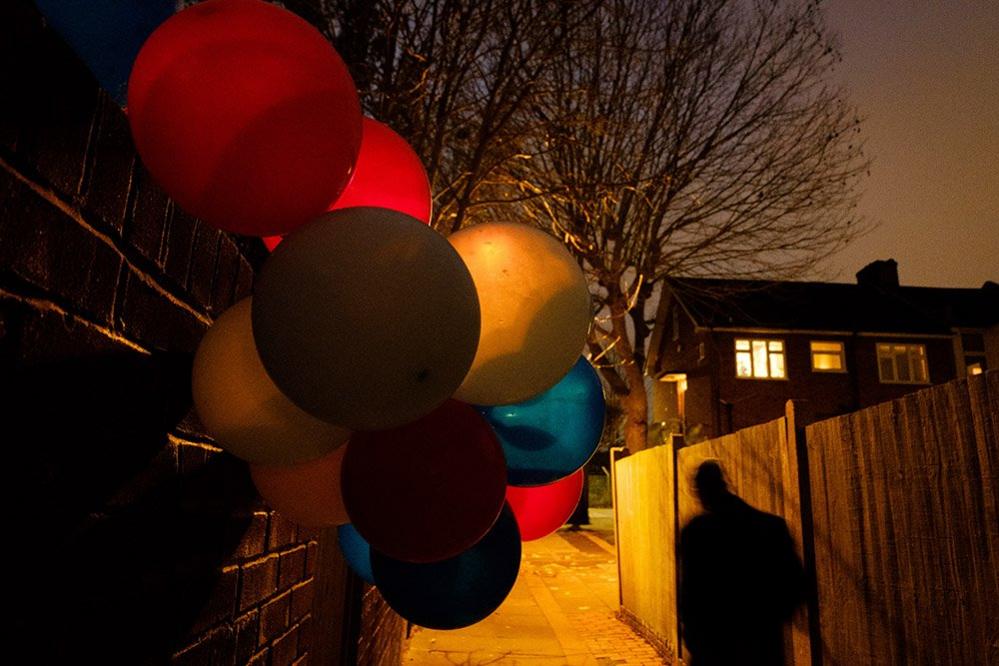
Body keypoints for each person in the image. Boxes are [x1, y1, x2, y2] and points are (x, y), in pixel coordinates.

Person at [678, 461, 804, 666]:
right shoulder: (770, 527)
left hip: (712, 648)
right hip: (761, 646)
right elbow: (795, 585)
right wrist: (768, 617)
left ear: (698, 491)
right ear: (724, 484)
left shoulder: (696, 533)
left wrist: (693, 636)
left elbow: (689, 593)